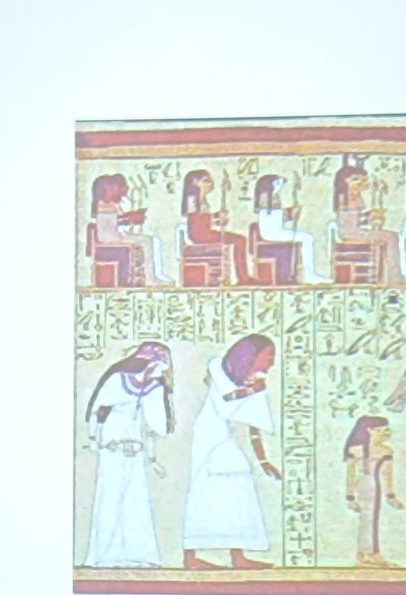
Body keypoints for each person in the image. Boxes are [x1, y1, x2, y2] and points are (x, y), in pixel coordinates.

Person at [182, 333, 281, 569]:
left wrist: (264, 460)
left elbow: (253, 424)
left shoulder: (254, 382)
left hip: (226, 439)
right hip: (209, 440)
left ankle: (238, 556)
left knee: (239, 493)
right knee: (202, 495)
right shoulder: (218, 368)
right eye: (269, 356)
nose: (272, 362)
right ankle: (190, 557)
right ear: (252, 354)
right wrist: (253, 390)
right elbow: (226, 401)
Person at [81, 341, 174, 566]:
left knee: (135, 502)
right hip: (111, 447)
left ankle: (139, 556)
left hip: (135, 449)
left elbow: (155, 426)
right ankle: (103, 557)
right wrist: (95, 440)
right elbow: (98, 411)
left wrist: (152, 458)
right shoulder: (118, 379)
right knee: (110, 499)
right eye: (158, 366)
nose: (160, 372)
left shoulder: (154, 387)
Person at [342, 414, 402, 566]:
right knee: (366, 520)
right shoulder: (356, 450)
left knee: (372, 520)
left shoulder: (385, 450)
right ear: (369, 430)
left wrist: (390, 495)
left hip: (376, 486)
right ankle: (366, 554)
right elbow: (350, 474)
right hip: (363, 486)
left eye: (386, 430)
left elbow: (387, 474)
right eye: (380, 430)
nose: (385, 434)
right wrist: (350, 496)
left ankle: (371, 553)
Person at [182, 169, 253, 284]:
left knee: (240, 239)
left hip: (205, 233)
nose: (209, 184)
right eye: (205, 181)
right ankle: (243, 278)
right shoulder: (192, 200)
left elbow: (205, 220)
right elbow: (196, 221)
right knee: (240, 240)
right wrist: (216, 217)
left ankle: (243, 277)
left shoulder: (201, 200)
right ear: (194, 182)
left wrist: (218, 218)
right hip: (200, 235)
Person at [252, 173, 318, 284]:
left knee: (306, 237)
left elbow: (279, 216)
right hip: (272, 232)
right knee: (307, 238)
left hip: (276, 230)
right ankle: (309, 274)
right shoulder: (265, 197)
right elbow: (273, 214)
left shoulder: (272, 196)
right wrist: (290, 212)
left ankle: (307, 273)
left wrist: (291, 212)